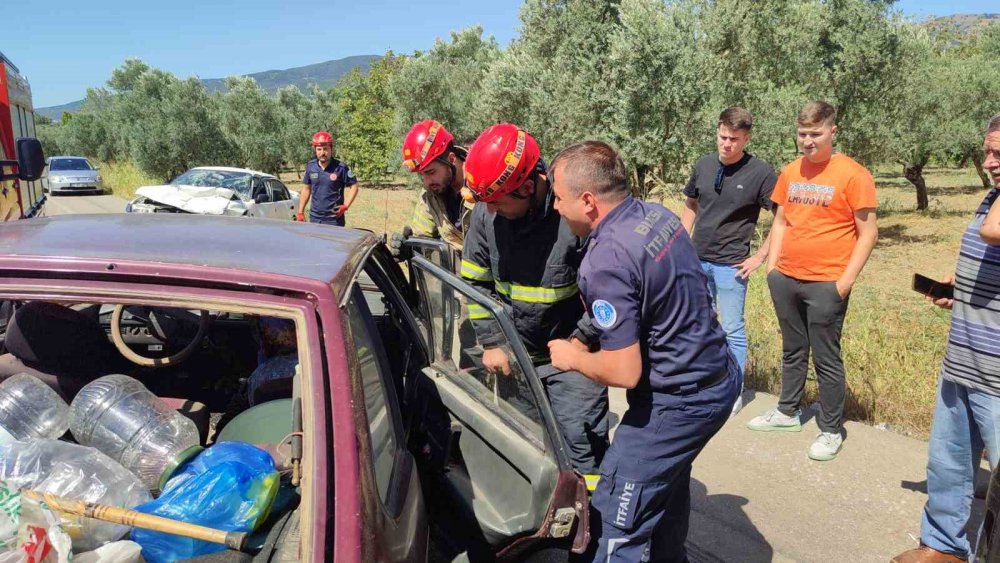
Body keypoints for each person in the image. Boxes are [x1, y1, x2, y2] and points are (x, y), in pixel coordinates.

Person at [546, 140, 740, 562]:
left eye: (559, 198)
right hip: (718, 375)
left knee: (616, 516)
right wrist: (586, 334)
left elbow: (625, 371)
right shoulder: (656, 216)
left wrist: (571, 357)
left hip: (679, 401)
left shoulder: (604, 259)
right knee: (665, 490)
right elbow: (650, 297)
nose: (556, 207)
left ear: (588, 200)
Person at [460, 123, 609, 487]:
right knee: (528, 448)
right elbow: (475, 283)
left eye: (497, 203)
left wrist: (581, 341)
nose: (490, 211)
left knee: (583, 455)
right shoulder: (487, 213)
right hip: (516, 361)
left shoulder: (572, 216)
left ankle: (590, 534)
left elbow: (608, 293)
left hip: (575, 361)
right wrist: (493, 343)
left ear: (528, 186)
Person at [892, 115, 1000, 563]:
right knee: (949, 466)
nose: (989, 162)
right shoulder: (991, 198)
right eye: (988, 152)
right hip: (964, 357)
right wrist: (961, 286)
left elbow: (994, 232)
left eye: (999, 153)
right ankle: (942, 547)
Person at [746, 101, 878, 462]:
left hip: (827, 283)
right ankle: (787, 412)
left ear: (832, 132)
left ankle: (831, 429)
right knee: (792, 349)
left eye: (815, 134)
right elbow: (781, 222)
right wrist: (772, 268)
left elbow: (868, 233)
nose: (808, 141)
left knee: (826, 358)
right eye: (802, 134)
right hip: (786, 277)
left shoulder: (853, 174)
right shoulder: (790, 172)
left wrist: (843, 283)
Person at [681, 107, 777, 414]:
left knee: (732, 328)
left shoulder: (760, 172)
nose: (727, 144)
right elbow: (691, 204)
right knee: (701, 325)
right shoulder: (704, 164)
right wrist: (681, 244)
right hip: (697, 260)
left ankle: (734, 390)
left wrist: (760, 256)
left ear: (746, 138)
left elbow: (784, 218)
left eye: (734, 139)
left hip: (732, 266)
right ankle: (707, 381)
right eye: (723, 137)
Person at [390, 120, 472, 260]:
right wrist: (409, 248)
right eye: (422, 175)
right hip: (458, 277)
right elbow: (422, 237)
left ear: (451, 159)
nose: (427, 182)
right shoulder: (430, 195)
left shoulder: (484, 185)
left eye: (431, 172)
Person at [296, 131, 359, 226]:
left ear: (331, 149)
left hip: (334, 219)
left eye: (325, 149)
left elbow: (354, 186)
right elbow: (306, 189)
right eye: (319, 149)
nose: (322, 153)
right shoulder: (311, 166)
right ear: (315, 150)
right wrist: (300, 211)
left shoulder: (341, 167)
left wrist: (345, 206)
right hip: (315, 218)